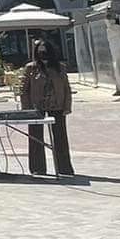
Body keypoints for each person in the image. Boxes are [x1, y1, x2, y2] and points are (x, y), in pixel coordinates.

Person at [17, 41, 75, 176]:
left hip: (57, 106)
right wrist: (27, 108)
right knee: (35, 137)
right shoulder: (31, 68)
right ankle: (38, 168)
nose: (43, 54)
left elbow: (67, 88)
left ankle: (64, 168)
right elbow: (23, 90)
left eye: (45, 51)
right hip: (37, 107)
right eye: (40, 51)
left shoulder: (60, 67)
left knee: (60, 137)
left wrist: (67, 106)